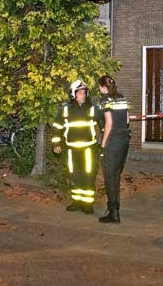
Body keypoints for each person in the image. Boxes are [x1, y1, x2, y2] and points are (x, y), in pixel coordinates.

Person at [52, 79, 98, 214]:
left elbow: (105, 120)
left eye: (84, 92)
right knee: (74, 175)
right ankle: (77, 202)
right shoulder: (65, 110)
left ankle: (88, 204)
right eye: (80, 92)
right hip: (71, 149)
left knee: (88, 176)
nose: (83, 94)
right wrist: (56, 144)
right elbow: (57, 127)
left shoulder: (93, 108)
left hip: (88, 149)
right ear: (73, 94)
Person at [97, 75, 130, 224]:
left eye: (99, 86)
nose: (99, 89)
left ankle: (113, 213)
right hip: (124, 140)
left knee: (110, 177)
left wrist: (103, 145)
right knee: (116, 175)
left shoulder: (104, 100)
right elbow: (127, 120)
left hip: (113, 142)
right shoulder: (121, 98)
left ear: (103, 87)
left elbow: (109, 123)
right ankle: (115, 209)